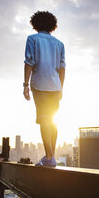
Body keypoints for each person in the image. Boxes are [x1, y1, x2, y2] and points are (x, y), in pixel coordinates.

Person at [23, 11, 65, 167]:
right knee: (53, 121)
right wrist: (61, 88)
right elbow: (62, 68)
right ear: (52, 26)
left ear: (35, 24)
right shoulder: (59, 44)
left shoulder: (32, 39)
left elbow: (29, 62)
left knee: (44, 119)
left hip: (40, 85)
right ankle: (51, 156)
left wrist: (25, 85)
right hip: (55, 86)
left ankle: (49, 157)